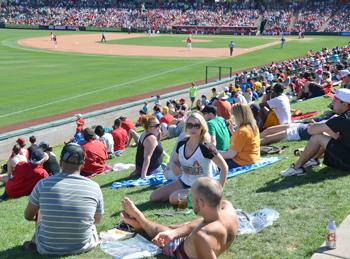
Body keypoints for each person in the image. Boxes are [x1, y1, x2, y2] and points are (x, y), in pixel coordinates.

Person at [120, 177, 239, 259]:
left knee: (159, 231)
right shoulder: (227, 207)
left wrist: (172, 235)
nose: (189, 200)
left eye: (191, 197)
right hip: (193, 235)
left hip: (180, 249)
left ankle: (140, 219)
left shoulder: (202, 236)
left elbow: (203, 232)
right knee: (171, 228)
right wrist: (174, 233)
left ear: (201, 203)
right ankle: (140, 223)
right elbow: (206, 223)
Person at [23, 143, 103, 255]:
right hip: (82, 245)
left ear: (60, 163)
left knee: (41, 207)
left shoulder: (43, 184)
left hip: (47, 248)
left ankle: (36, 240)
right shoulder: (94, 187)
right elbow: (97, 220)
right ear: (83, 165)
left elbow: (28, 216)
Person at [150, 112, 228, 205]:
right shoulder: (182, 143)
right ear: (186, 126)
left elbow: (224, 167)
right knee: (153, 196)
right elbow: (174, 162)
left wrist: (219, 191)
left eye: (197, 126)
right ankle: (195, 198)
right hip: (184, 182)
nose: (193, 128)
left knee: (174, 198)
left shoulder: (206, 146)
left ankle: (204, 199)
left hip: (202, 186)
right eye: (190, 125)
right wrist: (173, 166)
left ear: (202, 127)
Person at [280, 89, 350, 176]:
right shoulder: (345, 117)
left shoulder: (344, 119)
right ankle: (313, 160)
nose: (332, 104)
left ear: (344, 104)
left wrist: (323, 123)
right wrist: (323, 124)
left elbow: (311, 130)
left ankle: (297, 168)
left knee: (318, 137)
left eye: (335, 101)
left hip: (348, 162)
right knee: (328, 132)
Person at [221, 103, 260, 169]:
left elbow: (231, 154)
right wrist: (231, 130)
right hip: (253, 158)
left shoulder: (242, 131)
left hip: (242, 161)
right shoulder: (253, 126)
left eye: (234, 115)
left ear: (238, 116)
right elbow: (241, 141)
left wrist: (215, 156)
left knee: (212, 163)